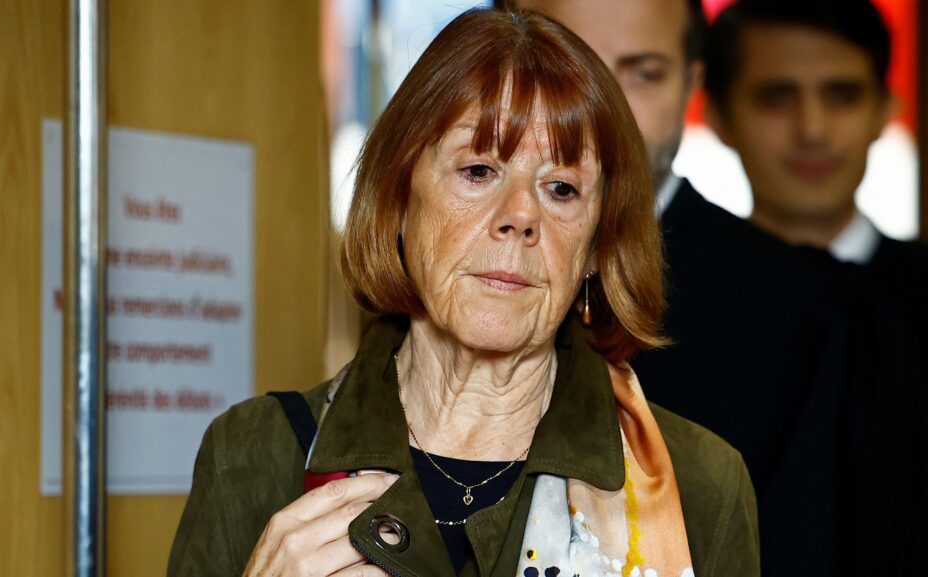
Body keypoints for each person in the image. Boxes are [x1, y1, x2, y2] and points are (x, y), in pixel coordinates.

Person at [168, 8, 758, 577]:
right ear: (399, 201)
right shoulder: (252, 455)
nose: (521, 215)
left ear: (598, 244)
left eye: (560, 188)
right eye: (479, 171)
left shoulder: (701, 485)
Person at [516, 1, 864, 575]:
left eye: (643, 73)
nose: (606, 105)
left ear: (691, 83)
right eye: (565, 67)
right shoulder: (440, 287)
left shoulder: (807, 313)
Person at [702, 1, 928, 574]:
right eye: (776, 97)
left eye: (842, 95)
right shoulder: (664, 315)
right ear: (719, 116)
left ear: (886, 109)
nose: (812, 130)